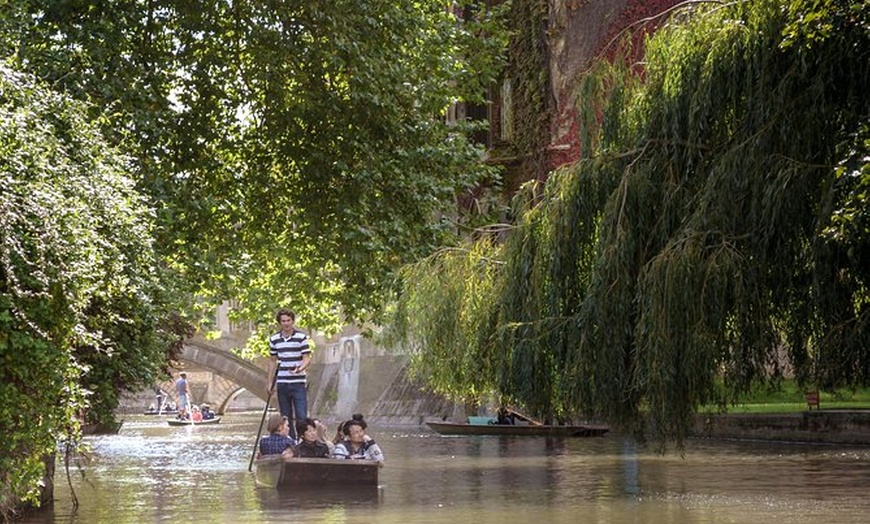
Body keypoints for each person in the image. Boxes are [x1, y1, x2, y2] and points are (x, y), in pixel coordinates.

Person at [266, 309, 312, 439]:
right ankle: (290, 441)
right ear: (280, 323)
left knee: (301, 415)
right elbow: (272, 361)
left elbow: (307, 358)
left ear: (292, 321)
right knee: (285, 416)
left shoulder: (301, 338)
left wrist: (299, 368)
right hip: (282, 382)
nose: (286, 324)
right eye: (283, 321)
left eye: (288, 321)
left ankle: (303, 441)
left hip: (298, 382)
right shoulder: (274, 339)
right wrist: (269, 382)